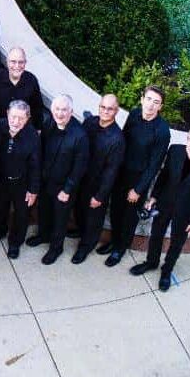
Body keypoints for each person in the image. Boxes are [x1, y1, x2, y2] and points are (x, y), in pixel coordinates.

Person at [128, 126, 190, 291]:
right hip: (164, 203)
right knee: (156, 234)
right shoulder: (175, 151)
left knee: (177, 243)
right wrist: (154, 197)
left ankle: (166, 271)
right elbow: (163, 176)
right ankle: (151, 262)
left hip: (186, 212)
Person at [101, 86, 171, 267]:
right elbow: (122, 140)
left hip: (138, 179)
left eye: (156, 102)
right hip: (121, 173)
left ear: (160, 107)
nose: (151, 105)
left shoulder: (162, 131)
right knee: (115, 210)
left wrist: (138, 189)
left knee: (129, 217)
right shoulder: (133, 114)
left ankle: (120, 248)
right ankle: (114, 241)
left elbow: (155, 165)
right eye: (148, 99)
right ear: (142, 99)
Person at [27, 95, 89, 265]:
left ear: (71, 111)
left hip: (64, 186)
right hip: (47, 180)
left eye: (64, 110)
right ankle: (43, 235)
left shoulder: (80, 136)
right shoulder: (49, 124)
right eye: (56, 109)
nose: (60, 113)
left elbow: (79, 167)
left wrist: (67, 190)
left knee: (60, 218)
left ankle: (56, 248)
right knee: (44, 210)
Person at [74, 95, 125, 264]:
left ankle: (86, 246)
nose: (105, 111)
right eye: (103, 107)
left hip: (97, 185)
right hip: (81, 178)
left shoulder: (117, 139)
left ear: (116, 111)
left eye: (110, 109)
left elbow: (111, 171)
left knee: (93, 219)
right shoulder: (90, 123)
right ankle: (80, 231)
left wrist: (100, 196)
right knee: (80, 210)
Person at [0, 100, 40, 259]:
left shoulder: (32, 136)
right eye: (13, 117)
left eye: (21, 118)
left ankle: (15, 243)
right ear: (7, 114)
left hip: (21, 182)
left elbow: (35, 165)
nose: (16, 122)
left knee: (21, 215)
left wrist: (33, 190)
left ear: (27, 118)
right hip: (0, 180)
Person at [0, 47, 45, 129]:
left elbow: (37, 109)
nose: (17, 66)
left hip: (23, 130)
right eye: (13, 62)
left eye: (21, 62)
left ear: (25, 63)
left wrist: (37, 129)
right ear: (7, 62)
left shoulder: (31, 80)